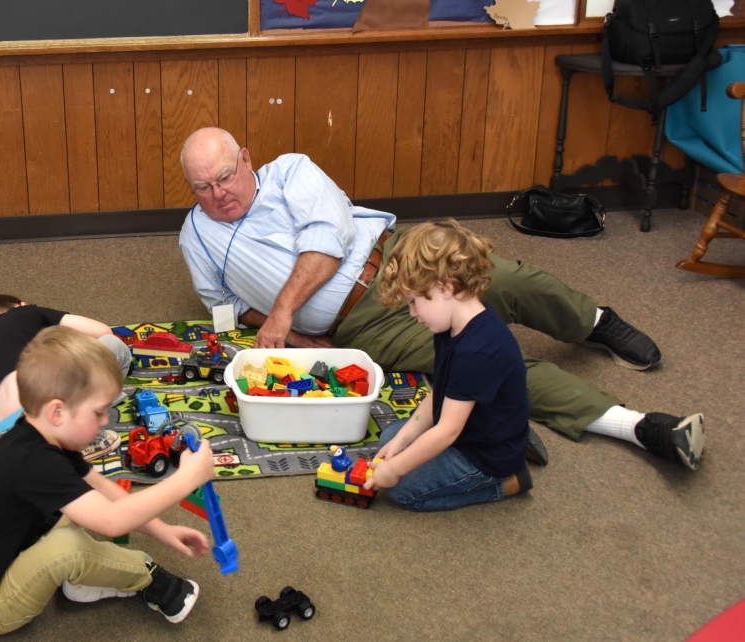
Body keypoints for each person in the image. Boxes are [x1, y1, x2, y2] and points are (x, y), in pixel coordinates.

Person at [177, 127, 704, 470]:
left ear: (246, 159)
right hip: (363, 328)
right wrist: (290, 334)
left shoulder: (291, 169)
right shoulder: (195, 237)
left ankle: (594, 322)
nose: (219, 193)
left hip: (399, 255)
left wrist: (284, 309)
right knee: (486, 365)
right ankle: (637, 425)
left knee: (511, 281)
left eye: (225, 176)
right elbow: (220, 305)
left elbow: (326, 242)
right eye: (203, 187)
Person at [0, 326, 217, 635]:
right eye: (98, 412)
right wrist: (186, 479)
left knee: (76, 502)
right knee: (68, 546)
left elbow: (103, 490)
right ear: (58, 412)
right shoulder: (34, 462)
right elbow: (113, 521)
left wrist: (162, 529)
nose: (105, 421)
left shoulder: (38, 436)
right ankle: (146, 578)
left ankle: (81, 581)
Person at [363, 220, 531, 511]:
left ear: (445, 286)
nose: (413, 313)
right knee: (391, 438)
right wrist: (404, 440)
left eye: (414, 302)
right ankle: (513, 444)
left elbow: (447, 432)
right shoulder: (450, 327)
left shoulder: (476, 352)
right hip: (467, 429)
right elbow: (440, 391)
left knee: (401, 490)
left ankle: (506, 482)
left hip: (482, 455)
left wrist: (397, 470)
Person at [0, 294, 132, 433]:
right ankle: (89, 436)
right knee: (113, 346)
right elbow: (102, 331)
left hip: (0, 432)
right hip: (38, 413)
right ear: (22, 305)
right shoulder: (24, 313)